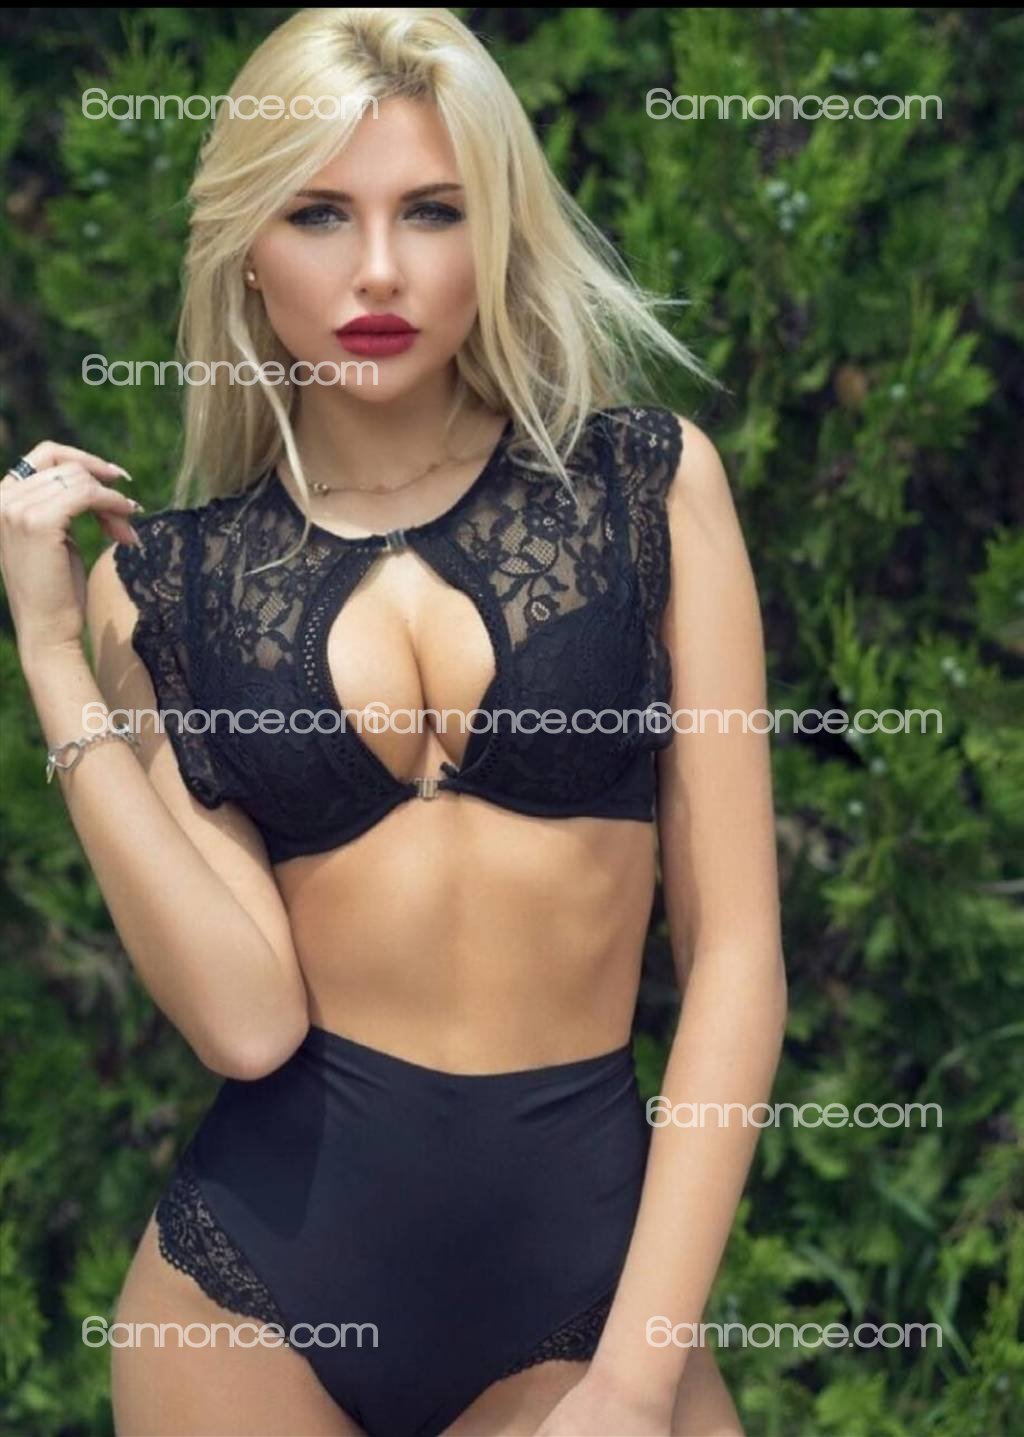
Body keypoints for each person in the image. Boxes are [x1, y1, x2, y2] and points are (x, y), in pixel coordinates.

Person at [1, 9, 786, 1436]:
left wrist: (633, 1379)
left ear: (497, 230)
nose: (378, 268)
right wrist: (55, 653)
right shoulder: (165, 587)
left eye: (432, 210)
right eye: (319, 212)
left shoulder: (648, 489)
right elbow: (246, 1021)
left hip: (589, 1311)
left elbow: (735, 959)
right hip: (245, 1314)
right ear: (248, 245)